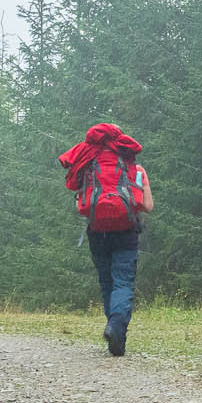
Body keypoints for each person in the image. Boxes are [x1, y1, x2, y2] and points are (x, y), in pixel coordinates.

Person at [58, 122, 154, 357]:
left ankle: (114, 328)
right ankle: (116, 328)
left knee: (106, 282)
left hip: (96, 230)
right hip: (126, 230)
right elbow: (147, 205)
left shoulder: (86, 164)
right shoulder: (135, 169)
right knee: (123, 282)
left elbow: (78, 199)